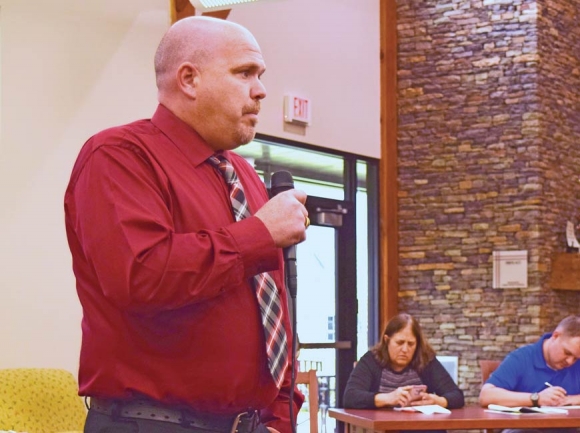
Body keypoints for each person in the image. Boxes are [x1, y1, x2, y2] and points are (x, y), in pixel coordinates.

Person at [64, 16, 308, 433]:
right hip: (151, 424)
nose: (261, 90)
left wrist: (280, 418)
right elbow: (140, 275)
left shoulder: (244, 176)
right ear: (190, 80)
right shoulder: (119, 155)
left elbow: (275, 311)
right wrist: (259, 235)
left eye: (260, 75)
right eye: (244, 73)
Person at [343, 313, 464, 430]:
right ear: (387, 340)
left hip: (420, 427)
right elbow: (350, 397)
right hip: (384, 428)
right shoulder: (371, 360)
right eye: (399, 343)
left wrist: (438, 401)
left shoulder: (426, 360)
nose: (405, 349)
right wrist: (387, 398)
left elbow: (457, 395)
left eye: (411, 344)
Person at [479, 315, 580, 433]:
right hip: (523, 428)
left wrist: (574, 399)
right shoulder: (522, 358)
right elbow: (486, 395)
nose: (570, 361)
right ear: (555, 336)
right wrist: (536, 398)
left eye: (576, 358)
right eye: (567, 353)